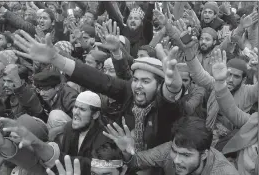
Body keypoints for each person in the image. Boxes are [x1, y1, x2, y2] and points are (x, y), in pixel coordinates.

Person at [13, 29, 183, 152]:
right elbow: (96, 79)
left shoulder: (163, 105)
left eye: (146, 81)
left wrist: (173, 87)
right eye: (136, 79)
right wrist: (56, 58)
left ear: (159, 85)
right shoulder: (129, 91)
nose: (138, 85)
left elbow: (169, 100)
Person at [103, 116, 239, 175]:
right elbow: (136, 162)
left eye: (186, 155)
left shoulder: (224, 172)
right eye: (175, 151)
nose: (176, 160)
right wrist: (127, 151)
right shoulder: (168, 150)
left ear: (204, 154)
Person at [211, 50, 258, 175]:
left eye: (236, 76)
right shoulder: (255, 121)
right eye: (228, 74)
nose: (230, 80)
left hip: (233, 140)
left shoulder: (249, 92)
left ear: (243, 80)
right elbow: (198, 74)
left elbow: (233, 112)